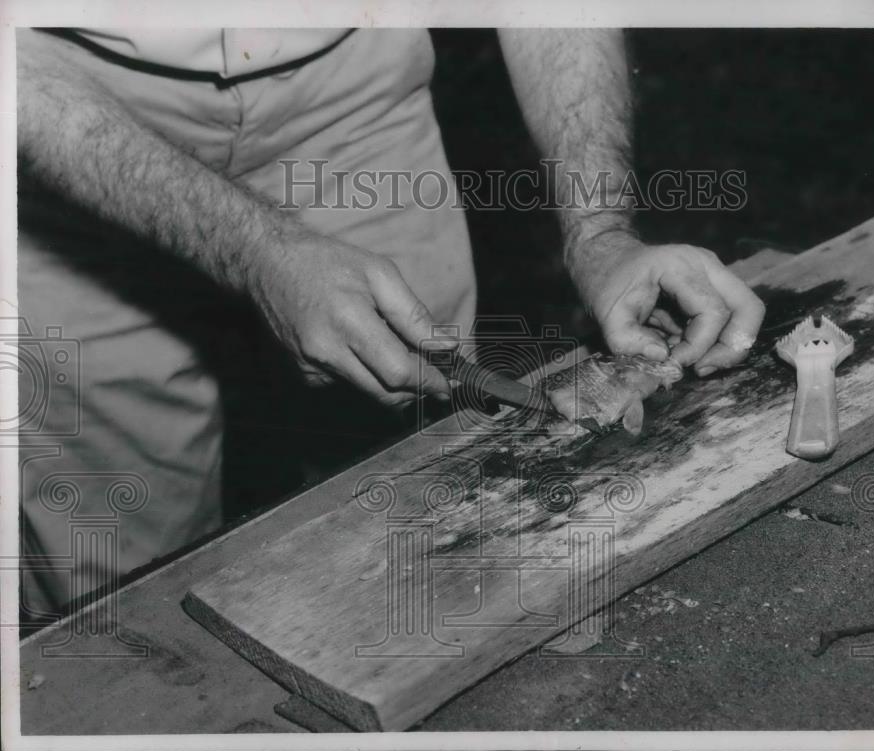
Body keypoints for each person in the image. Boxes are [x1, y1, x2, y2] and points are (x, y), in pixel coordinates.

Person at [16, 28, 764, 619]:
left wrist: (601, 233)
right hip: (68, 103)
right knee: (111, 569)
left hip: (352, 82)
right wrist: (258, 253)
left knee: (442, 495)